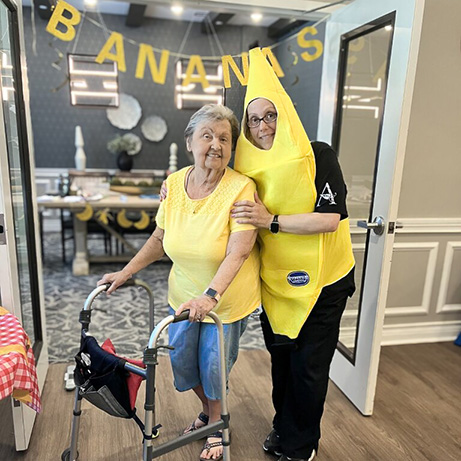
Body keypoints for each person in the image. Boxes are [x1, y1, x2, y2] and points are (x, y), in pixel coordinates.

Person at [98, 104, 261, 461]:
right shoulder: (173, 184)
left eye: (224, 138)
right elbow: (159, 240)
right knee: (184, 365)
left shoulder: (241, 189)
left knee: (213, 365)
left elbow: (239, 252)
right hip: (182, 294)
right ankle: (210, 412)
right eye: (207, 135)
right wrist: (126, 272)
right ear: (189, 142)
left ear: (232, 147)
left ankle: (216, 424)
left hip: (225, 299)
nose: (215, 144)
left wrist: (210, 296)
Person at [231, 48, 356, 461]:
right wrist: (172, 187)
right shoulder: (247, 167)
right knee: (282, 362)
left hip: (325, 281)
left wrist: (273, 221)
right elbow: (214, 188)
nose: (264, 125)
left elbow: (330, 219)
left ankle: (301, 445)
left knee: (308, 366)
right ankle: (283, 427)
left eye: (271, 115)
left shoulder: (317, 155)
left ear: (284, 114)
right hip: (278, 283)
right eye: (254, 118)